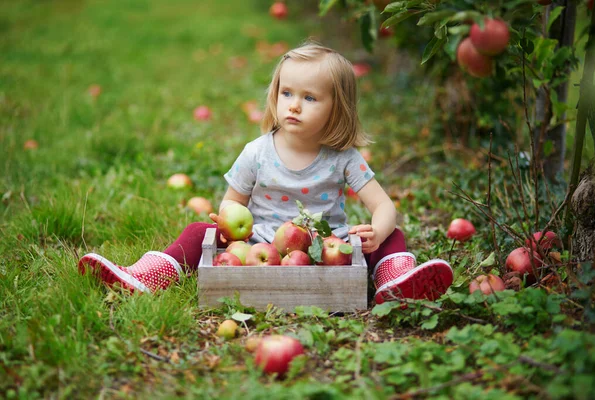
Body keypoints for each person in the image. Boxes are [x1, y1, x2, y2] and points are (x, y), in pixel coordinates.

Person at [78, 41, 453, 304]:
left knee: (394, 236)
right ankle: (146, 276)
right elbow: (232, 206)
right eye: (286, 93)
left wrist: (377, 232)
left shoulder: (343, 157)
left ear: (337, 109)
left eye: (309, 98)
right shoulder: (256, 153)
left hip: (326, 250)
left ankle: (395, 282)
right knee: (198, 232)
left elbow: (383, 206)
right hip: (258, 245)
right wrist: (224, 225)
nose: (294, 105)